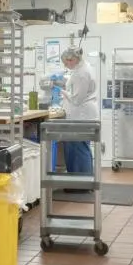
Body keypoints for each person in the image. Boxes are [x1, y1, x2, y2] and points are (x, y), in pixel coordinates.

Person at [56, 46, 99, 177]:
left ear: (72, 59)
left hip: (82, 114)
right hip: (83, 113)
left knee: (79, 148)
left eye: (66, 62)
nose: (65, 65)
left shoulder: (82, 73)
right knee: (79, 147)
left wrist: (62, 91)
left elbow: (77, 99)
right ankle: (81, 179)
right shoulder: (83, 68)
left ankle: (82, 181)